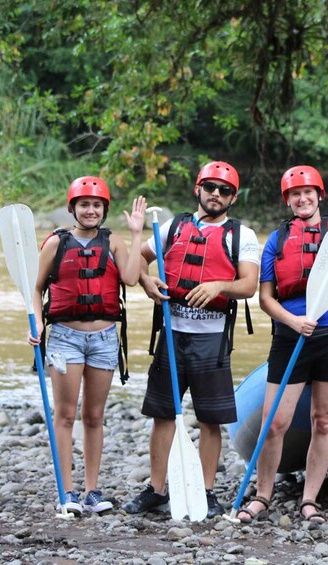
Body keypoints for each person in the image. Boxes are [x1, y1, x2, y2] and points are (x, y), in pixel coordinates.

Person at [236, 116, 328, 524]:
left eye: (308, 192)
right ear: (288, 201)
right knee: (274, 422)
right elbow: (265, 298)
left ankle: (310, 499)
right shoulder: (277, 240)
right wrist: (292, 319)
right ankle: (263, 496)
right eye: (295, 194)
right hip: (291, 336)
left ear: (319, 195)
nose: (302, 199)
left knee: (324, 420)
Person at [122, 161, 260, 519]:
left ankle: (206, 489)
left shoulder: (240, 235)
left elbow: (249, 285)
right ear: (198, 189)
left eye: (224, 190)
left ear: (233, 197)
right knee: (163, 414)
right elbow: (139, 261)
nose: (216, 194)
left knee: (210, 419)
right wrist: (146, 280)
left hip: (211, 341)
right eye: (210, 187)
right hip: (172, 335)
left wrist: (219, 285)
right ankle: (156, 489)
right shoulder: (173, 226)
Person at [30, 177, 146, 515]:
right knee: (65, 416)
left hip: (104, 340)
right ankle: (66, 493)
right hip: (65, 338)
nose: (91, 210)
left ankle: (92, 491)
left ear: (104, 209)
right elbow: (36, 289)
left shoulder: (115, 243)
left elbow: (129, 278)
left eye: (97, 205)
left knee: (94, 416)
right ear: (73, 208)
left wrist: (137, 232)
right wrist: (36, 320)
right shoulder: (55, 244)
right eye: (84, 204)